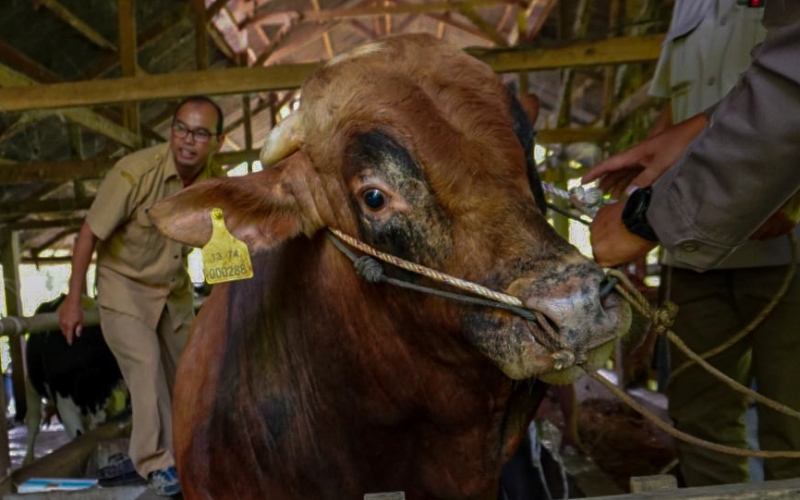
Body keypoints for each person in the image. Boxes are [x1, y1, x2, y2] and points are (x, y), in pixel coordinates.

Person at [583, 0, 800, 487]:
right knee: (699, 417)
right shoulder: (688, 10)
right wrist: (664, 160)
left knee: (791, 415)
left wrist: (646, 221)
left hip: (784, 248)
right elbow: (684, 106)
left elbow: (789, 92)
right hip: (692, 253)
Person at [59, 96, 226, 496]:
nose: (188, 140)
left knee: (188, 373)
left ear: (218, 141)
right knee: (145, 366)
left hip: (173, 288)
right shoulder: (134, 173)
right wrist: (72, 297)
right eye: (181, 128)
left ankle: (187, 454)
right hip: (124, 286)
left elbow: (224, 243)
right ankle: (155, 463)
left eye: (201, 133)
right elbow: (89, 234)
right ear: (170, 130)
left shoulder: (215, 181)